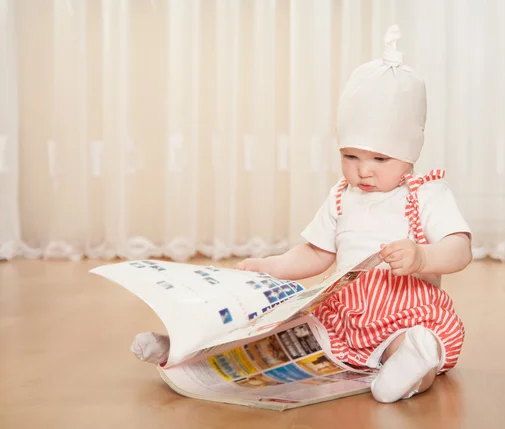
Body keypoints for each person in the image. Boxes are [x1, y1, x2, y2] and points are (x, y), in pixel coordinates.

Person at [131, 25, 472, 404]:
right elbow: (316, 253)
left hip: (406, 313)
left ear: (411, 154)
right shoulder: (343, 195)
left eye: (380, 158)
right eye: (351, 156)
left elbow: (460, 248)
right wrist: (270, 267)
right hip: (342, 313)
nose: (364, 170)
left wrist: (423, 256)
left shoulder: (427, 192)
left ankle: (411, 364)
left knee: (411, 344)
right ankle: (182, 352)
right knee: (270, 334)